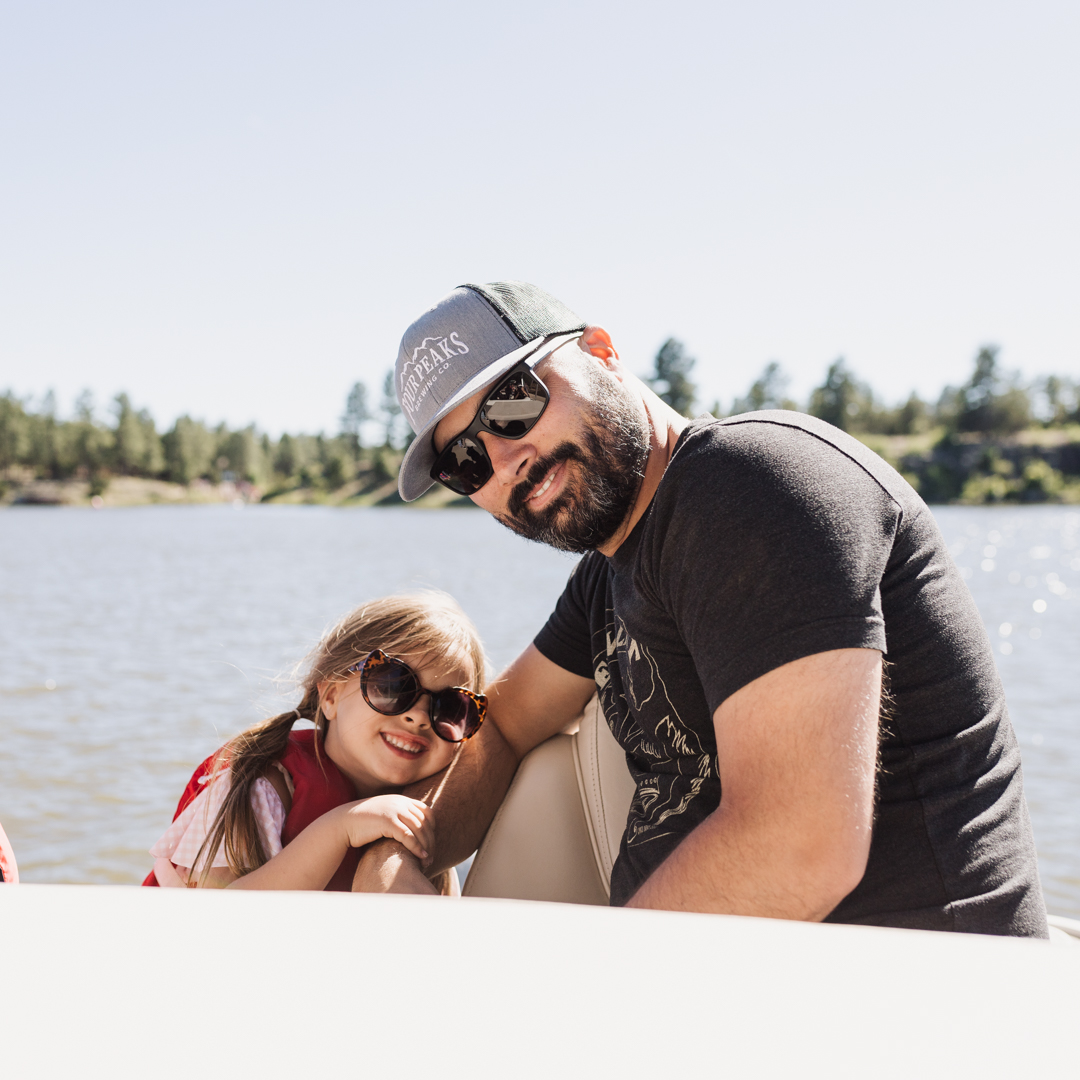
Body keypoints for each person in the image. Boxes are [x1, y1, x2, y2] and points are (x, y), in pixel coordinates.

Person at [354, 280, 1048, 937]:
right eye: (465, 462)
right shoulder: (610, 575)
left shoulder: (749, 486)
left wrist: (578, 1001)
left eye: (513, 401)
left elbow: (802, 845)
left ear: (601, 352)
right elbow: (502, 723)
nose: (506, 458)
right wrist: (404, 849)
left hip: (910, 999)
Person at [144, 593, 486, 891]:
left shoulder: (428, 815)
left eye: (451, 707)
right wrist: (340, 828)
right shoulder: (260, 786)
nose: (420, 716)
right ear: (332, 696)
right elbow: (214, 915)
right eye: (393, 685)